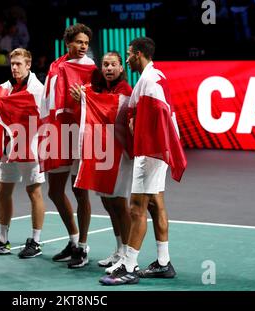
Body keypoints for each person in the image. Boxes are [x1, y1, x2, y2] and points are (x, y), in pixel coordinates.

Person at [100, 37, 187, 285]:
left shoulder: (149, 81)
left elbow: (160, 112)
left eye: (128, 54)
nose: (127, 59)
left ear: (138, 54)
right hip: (155, 150)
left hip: (150, 151)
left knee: (136, 207)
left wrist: (147, 138)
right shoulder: (154, 76)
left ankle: (128, 266)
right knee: (155, 204)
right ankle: (163, 262)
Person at [0, 48, 46, 259]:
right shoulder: (5, 87)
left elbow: (24, 107)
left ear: (29, 64)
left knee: (33, 192)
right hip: (10, 147)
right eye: (12, 64)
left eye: (19, 63)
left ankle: (35, 241)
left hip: (30, 147)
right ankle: (2, 240)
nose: (15, 67)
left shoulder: (37, 88)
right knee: (3, 191)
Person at [40, 23, 97, 269]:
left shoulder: (92, 69)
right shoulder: (57, 66)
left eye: (86, 43)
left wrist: (84, 98)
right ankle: (73, 240)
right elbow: (48, 99)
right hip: (58, 131)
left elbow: (99, 98)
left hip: (80, 132)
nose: (83, 46)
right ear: (68, 43)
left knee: (79, 191)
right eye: (79, 42)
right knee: (54, 190)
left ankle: (83, 247)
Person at [70, 51, 133, 273]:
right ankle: (118, 250)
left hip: (121, 155)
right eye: (105, 65)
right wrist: (85, 98)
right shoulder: (103, 89)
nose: (108, 68)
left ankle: (127, 254)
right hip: (105, 154)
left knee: (119, 205)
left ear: (121, 68)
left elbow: (110, 108)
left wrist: (88, 98)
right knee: (108, 204)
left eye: (113, 65)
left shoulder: (124, 90)